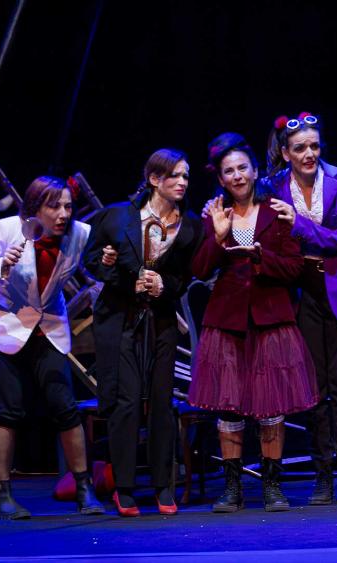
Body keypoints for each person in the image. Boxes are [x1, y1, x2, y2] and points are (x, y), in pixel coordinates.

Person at [189, 132, 318, 513]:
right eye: (229, 171)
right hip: (228, 320)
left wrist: (262, 258)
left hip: (270, 318)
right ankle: (232, 488)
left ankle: (272, 486)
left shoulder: (276, 211)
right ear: (221, 178)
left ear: (255, 170)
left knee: (271, 406)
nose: (237, 176)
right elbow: (200, 269)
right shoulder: (214, 213)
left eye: (242, 168)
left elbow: (294, 268)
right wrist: (217, 237)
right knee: (229, 407)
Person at [0, 175, 104, 519]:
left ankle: (84, 488)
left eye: (68, 206)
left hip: (47, 326)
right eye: (54, 207)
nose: (63, 214)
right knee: (8, 410)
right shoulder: (9, 229)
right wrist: (0, 265)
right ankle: (2, 495)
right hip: (3, 326)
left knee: (65, 407)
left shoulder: (80, 234)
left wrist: (108, 261)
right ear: (35, 209)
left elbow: (100, 259)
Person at [265, 113, 337, 505]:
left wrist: (299, 226)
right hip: (304, 294)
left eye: (314, 146)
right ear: (285, 153)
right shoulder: (273, 187)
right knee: (313, 392)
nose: (309, 154)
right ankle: (322, 475)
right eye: (300, 148)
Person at [83, 149, 203, 516]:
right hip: (121, 318)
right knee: (127, 401)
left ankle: (163, 485)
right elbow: (92, 261)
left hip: (161, 320)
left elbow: (185, 276)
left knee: (162, 401)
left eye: (185, 176)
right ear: (154, 179)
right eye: (175, 176)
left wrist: (164, 286)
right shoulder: (118, 216)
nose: (182, 182)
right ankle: (125, 486)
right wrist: (123, 278)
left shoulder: (190, 226)